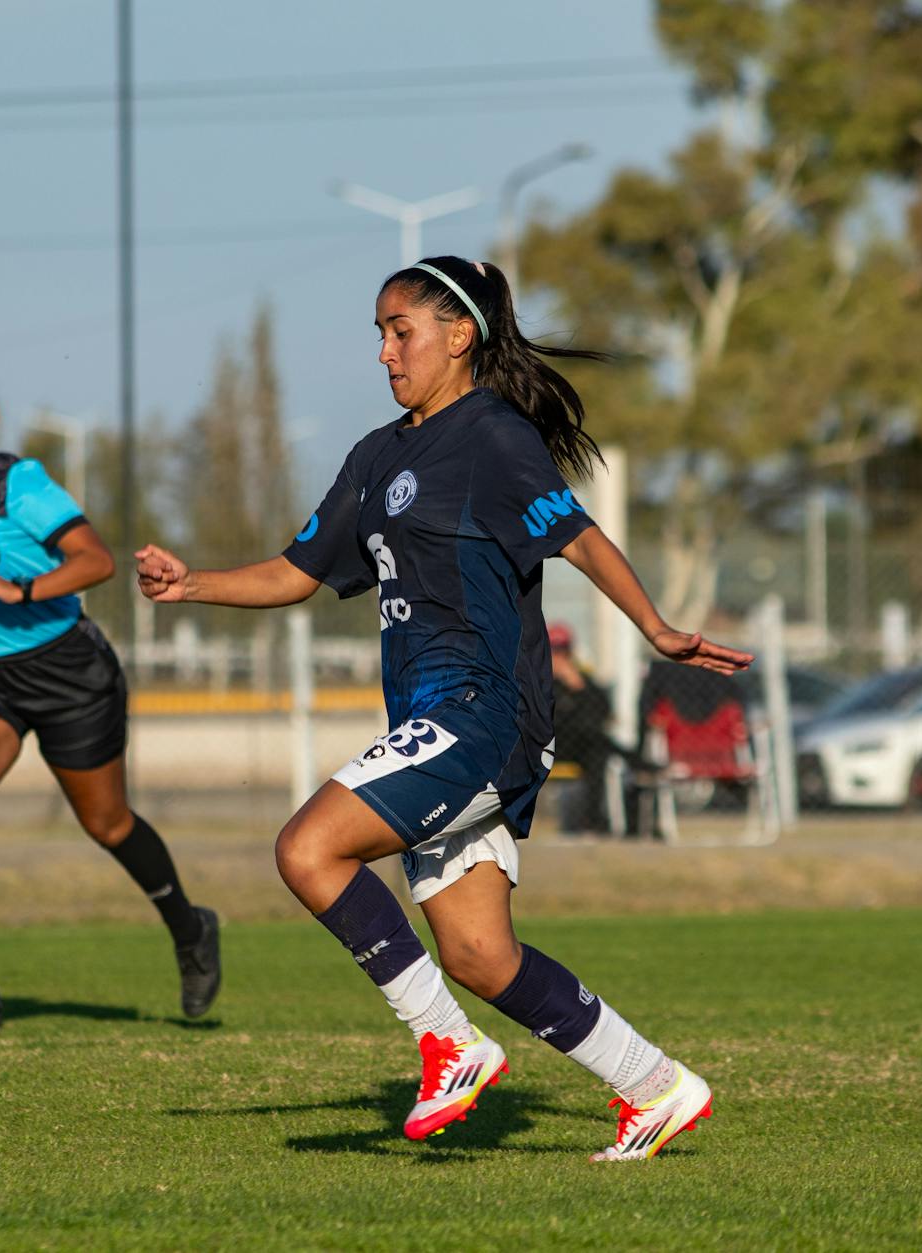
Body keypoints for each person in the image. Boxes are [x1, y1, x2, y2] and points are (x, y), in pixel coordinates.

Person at [135, 257, 752, 1161]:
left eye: (401, 330)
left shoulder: (494, 437)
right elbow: (297, 572)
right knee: (475, 955)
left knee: (308, 847)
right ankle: (656, 1084)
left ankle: (451, 1044)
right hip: (428, 720)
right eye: (380, 334)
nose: (386, 351)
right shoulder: (376, 455)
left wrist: (656, 627)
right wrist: (192, 587)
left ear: (459, 337)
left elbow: (576, 537)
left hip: (486, 714)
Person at [0, 362, 221, 1027]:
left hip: (66, 669)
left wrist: (22, 589)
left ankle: (190, 926)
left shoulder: (19, 482)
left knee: (108, 823)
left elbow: (96, 559)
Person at [548, 622, 614, 835]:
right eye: (553, 650)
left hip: (578, 745)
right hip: (542, 744)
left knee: (598, 749)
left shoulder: (581, 678)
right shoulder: (533, 678)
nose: (558, 656)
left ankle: (592, 820)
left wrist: (577, 686)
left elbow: (604, 711)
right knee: (602, 742)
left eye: (563, 650)